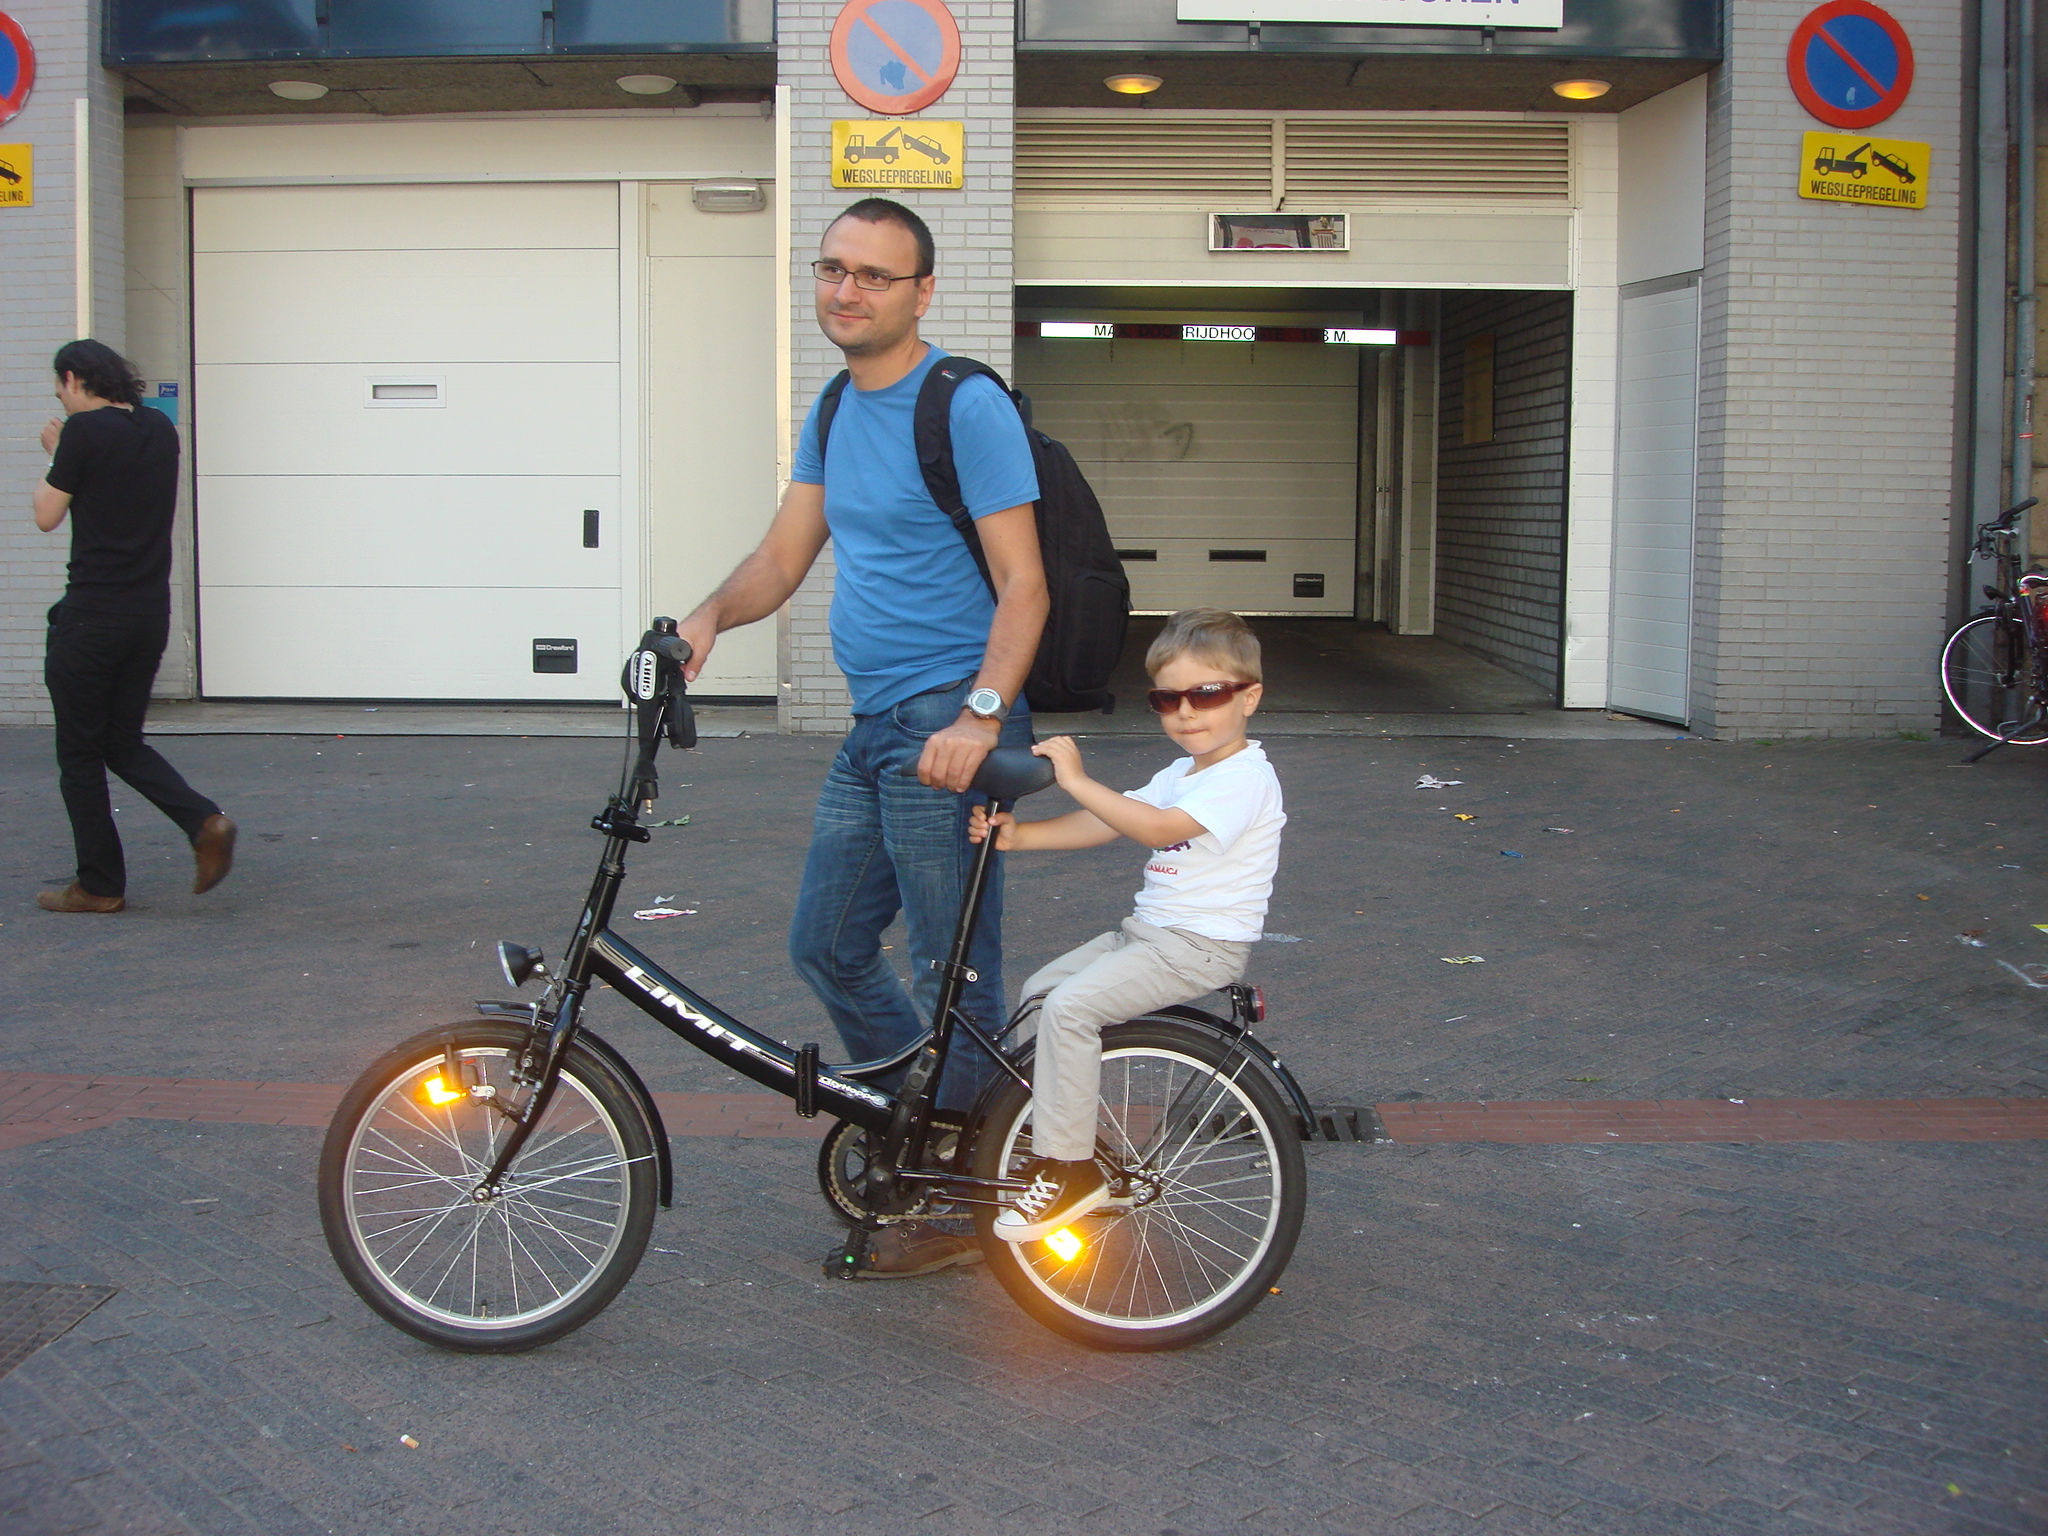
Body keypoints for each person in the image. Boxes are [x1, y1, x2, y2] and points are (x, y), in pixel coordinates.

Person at [676, 199, 1048, 1276]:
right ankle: (928, 1126)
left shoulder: (964, 404)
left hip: (949, 719)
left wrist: (981, 716)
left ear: (921, 292)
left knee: (953, 975)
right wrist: (705, 618)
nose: (847, 290)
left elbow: (1025, 584)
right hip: (877, 723)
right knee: (827, 945)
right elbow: (782, 556)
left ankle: (957, 1198)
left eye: (875, 275)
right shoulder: (836, 405)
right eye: (833, 268)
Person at [969, 609, 1285, 1240]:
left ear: (1248, 697)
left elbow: (1157, 829)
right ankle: (1042, 1134)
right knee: (1039, 996)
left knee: (1070, 1009)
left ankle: (1069, 1171)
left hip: (1198, 947)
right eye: (1168, 700)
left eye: (1206, 694)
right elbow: (1112, 819)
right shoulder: (1184, 773)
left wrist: (1076, 779)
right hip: (1149, 935)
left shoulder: (1245, 778)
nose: (1186, 713)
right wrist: (1020, 837)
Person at [32, 340, 235, 914]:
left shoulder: (82, 433)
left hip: (91, 616)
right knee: (121, 741)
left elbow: (46, 515)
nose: (60, 399)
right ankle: (204, 821)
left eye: (60, 388)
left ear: (74, 379)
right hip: (148, 615)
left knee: (79, 756)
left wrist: (56, 453)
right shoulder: (159, 429)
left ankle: (99, 885)